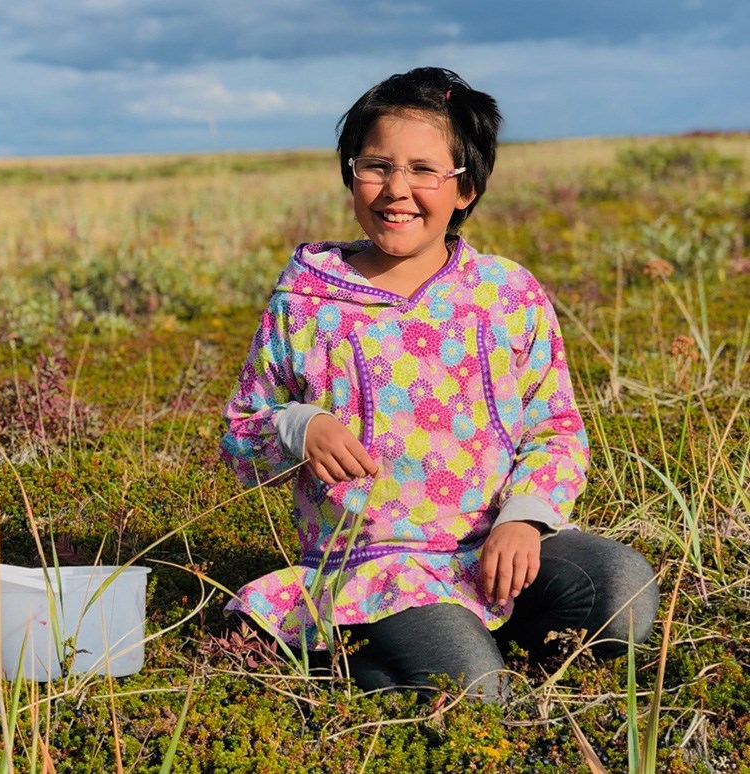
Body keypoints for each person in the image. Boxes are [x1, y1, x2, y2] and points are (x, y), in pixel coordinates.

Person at [218, 66, 658, 701]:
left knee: (622, 590)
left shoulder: (508, 294)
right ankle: (348, 644)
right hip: (375, 570)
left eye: (425, 170)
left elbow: (555, 431)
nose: (397, 190)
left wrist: (525, 521)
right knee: (471, 692)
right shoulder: (305, 301)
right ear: (350, 175)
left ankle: (463, 634)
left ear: (466, 189)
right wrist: (298, 425)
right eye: (376, 166)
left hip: (492, 554)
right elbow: (240, 436)